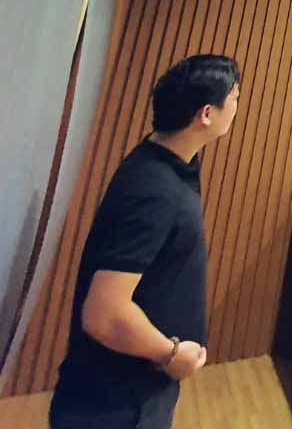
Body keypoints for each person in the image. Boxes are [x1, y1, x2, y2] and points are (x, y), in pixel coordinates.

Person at [48, 55, 241, 429]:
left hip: (133, 392)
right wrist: (171, 355)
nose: (236, 106)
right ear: (206, 114)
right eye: (233, 98)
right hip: (116, 406)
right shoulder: (155, 191)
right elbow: (104, 313)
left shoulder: (165, 161)